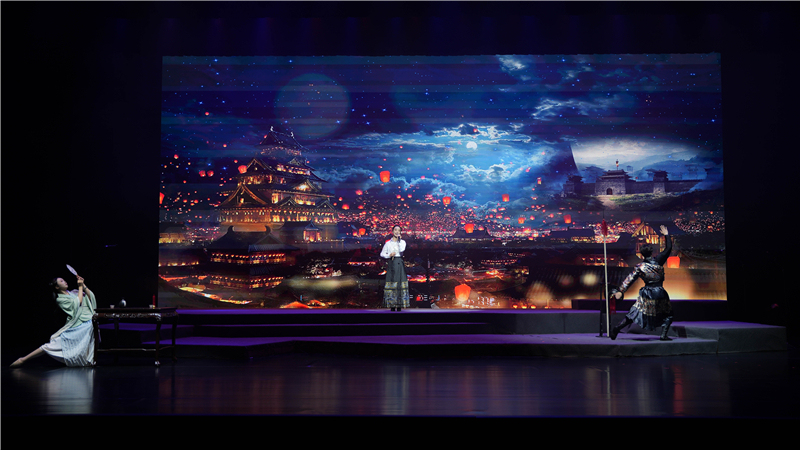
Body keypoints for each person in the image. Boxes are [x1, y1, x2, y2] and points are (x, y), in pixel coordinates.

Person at [10, 275, 97, 367]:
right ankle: (23, 359)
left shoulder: (74, 292)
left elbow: (90, 297)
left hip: (87, 321)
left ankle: (88, 359)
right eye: (61, 281)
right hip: (77, 324)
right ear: (57, 287)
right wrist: (80, 287)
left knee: (88, 335)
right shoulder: (60, 299)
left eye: (64, 280)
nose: (65, 281)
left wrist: (83, 285)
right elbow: (78, 303)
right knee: (53, 344)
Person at [610, 225, 674, 341]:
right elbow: (668, 248)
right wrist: (666, 235)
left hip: (647, 293)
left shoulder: (640, 267)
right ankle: (663, 335)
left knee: (634, 313)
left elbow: (629, 280)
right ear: (652, 252)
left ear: (641, 254)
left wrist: (621, 291)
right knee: (667, 314)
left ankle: (617, 328)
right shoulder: (659, 260)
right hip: (660, 292)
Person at [380, 225, 410, 311]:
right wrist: (389, 255)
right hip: (391, 263)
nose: (397, 232)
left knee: (399, 282)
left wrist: (399, 240)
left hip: (399, 263)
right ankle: (392, 306)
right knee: (392, 282)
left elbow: (401, 250)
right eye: (395, 230)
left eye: (399, 230)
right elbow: (382, 254)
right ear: (392, 231)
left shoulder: (402, 242)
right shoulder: (388, 243)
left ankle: (399, 306)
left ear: (400, 232)